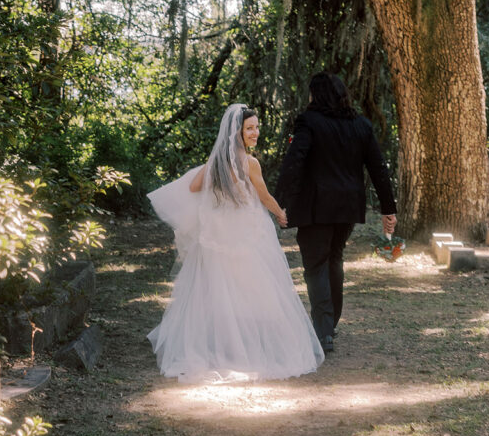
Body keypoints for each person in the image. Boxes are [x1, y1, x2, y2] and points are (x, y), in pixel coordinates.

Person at [147, 104, 324, 382]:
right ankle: (247, 345)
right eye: (249, 128)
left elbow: (194, 187)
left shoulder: (217, 160)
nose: (255, 132)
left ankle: (223, 344)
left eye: (256, 127)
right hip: (245, 229)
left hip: (217, 228)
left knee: (219, 286)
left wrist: (218, 189)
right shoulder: (249, 163)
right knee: (251, 285)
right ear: (237, 133)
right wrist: (280, 214)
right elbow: (264, 196)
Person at [275, 72, 397, 354]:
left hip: (316, 207)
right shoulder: (361, 125)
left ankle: (324, 330)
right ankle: (329, 324)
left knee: (316, 265)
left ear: (316, 95)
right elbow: (378, 168)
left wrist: (279, 201)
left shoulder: (309, 122)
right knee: (334, 261)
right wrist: (388, 208)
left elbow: (294, 161)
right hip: (346, 208)